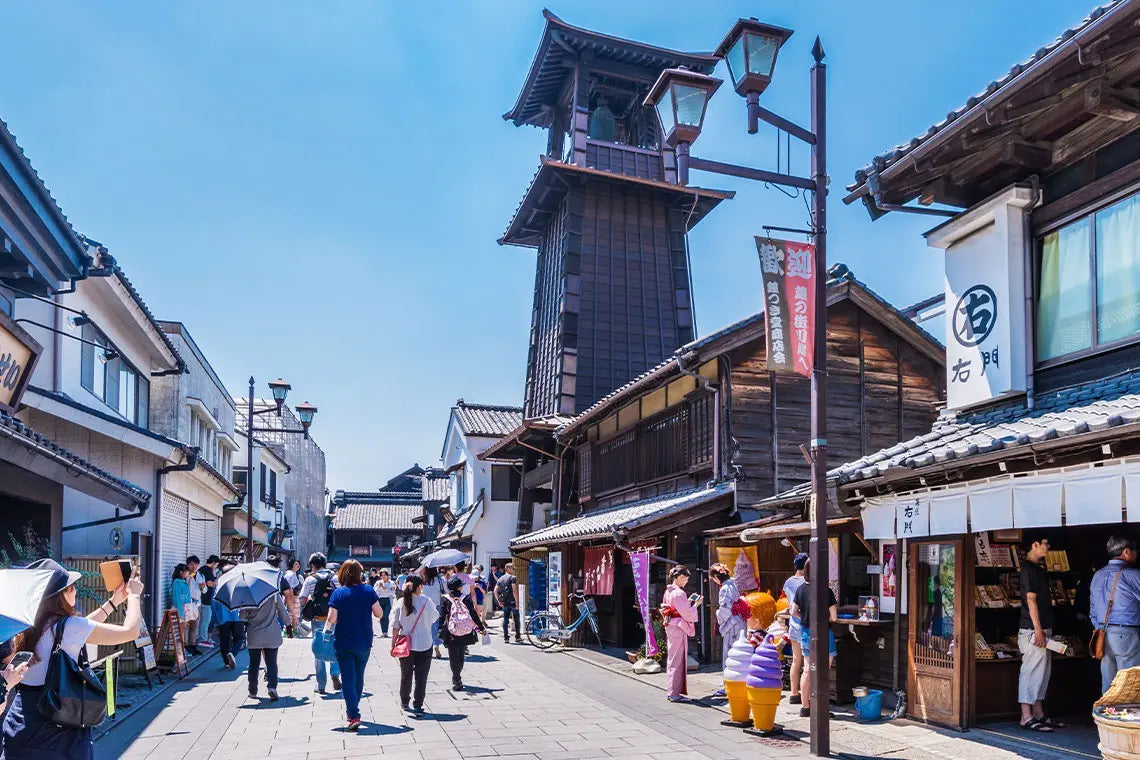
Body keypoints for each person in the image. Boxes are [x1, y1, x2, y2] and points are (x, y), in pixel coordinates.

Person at [1, 558, 143, 760]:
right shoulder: (69, 627)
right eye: (71, 587)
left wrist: (113, 602)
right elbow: (130, 631)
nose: (75, 591)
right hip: (58, 731)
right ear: (60, 595)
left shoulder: (25, 626)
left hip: (20, 728)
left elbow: (80, 629)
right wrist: (134, 596)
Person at [324, 559, 385, 730]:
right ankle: (353, 711)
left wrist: (325, 633)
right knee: (358, 677)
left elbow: (331, 618)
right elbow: (379, 614)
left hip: (343, 641)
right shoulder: (368, 591)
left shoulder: (338, 593)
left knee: (348, 678)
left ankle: (353, 714)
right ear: (360, 574)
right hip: (364, 641)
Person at [1015, 535, 1066, 732]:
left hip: (1041, 628)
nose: (1048, 546)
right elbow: (1031, 601)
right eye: (1045, 543)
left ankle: (1038, 713)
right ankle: (1026, 716)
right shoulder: (1028, 569)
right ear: (1035, 544)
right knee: (1031, 671)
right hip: (1032, 629)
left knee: (1042, 673)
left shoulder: (1037, 568)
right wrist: (1037, 629)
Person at [1092, 535, 1140, 695]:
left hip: (1102, 633)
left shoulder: (1098, 575)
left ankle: (1108, 711)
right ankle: (1126, 711)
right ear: (1126, 552)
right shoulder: (1132, 575)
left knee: (1109, 682)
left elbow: (1093, 610)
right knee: (1129, 683)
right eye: (1135, 551)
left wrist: (1100, 627)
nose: (1136, 554)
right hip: (1126, 634)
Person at [790, 558, 837, 718]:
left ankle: (805, 707)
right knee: (823, 670)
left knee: (808, 670)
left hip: (806, 632)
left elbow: (793, 611)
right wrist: (823, 619)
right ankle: (822, 707)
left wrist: (805, 618)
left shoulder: (801, 589)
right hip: (824, 633)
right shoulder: (826, 591)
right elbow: (834, 617)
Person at [390, 575, 439, 714]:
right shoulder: (426, 601)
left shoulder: (401, 602)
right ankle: (418, 704)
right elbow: (435, 618)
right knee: (421, 677)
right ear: (419, 587)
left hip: (405, 646)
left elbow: (395, 626)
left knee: (406, 675)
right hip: (425, 643)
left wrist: (393, 644)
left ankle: (404, 701)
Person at [299, 552, 342, 693]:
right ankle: (335, 673)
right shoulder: (336, 578)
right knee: (336, 646)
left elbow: (303, 599)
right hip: (334, 617)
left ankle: (321, 684)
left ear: (313, 565)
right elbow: (342, 596)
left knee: (318, 650)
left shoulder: (310, 579)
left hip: (317, 618)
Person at [239, 589, 289, 701]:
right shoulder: (273, 594)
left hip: (254, 634)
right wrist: (289, 625)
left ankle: (252, 690)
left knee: (254, 663)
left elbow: (242, 616)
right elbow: (282, 610)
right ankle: (272, 687)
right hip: (271, 633)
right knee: (271, 662)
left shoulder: (247, 595)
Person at [439, 576, 486, 691]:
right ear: (459, 587)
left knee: (452, 656)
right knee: (460, 655)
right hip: (464, 630)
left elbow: (441, 615)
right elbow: (473, 614)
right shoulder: (466, 598)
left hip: (451, 631)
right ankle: (458, 676)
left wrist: (439, 629)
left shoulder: (445, 599)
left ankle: (456, 678)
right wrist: (481, 627)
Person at [661, 565, 700, 703]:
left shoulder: (669, 591)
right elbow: (687, 613)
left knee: (673, 658)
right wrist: (696, 604)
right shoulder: (678, 593)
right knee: (677, 659)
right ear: (680, 577)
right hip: (677, 627)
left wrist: (688, 602)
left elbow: (677, 608)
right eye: (685, 579)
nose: (686, 582)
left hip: (671, 625)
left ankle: (673, 691)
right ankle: (674, 693)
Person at [711, 562, 746, 694]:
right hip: (739, 621)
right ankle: (738, 683)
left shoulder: (725, 588)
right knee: (739, 653)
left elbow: (725, 609)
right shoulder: (733, 585)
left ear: (716, 577)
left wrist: (718, 616)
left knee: (730, 654)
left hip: (732, 623)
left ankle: (729, 686)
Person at [783, 553, 809, 705]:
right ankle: (807, 697)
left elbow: (789, 603)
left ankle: (794, 694)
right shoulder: (807, 582)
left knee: (796, 660)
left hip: (793, 624)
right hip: (805, 624)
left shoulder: (788, 582)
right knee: (807, 664)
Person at [170, 563, 202, 656]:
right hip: (180, 611)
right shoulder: (177, 583)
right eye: (186, 571)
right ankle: (180, 652)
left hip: (185, 610)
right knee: (180, 632)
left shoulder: (183, 581)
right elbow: (177, 600)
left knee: (183, 631)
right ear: (181, 572)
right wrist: (181, 616)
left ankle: (182, 651)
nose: (188, 573)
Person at [422, 566, 446, 658]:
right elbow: (446, 591)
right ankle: (436, 644)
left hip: (425, 606)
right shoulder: (440, 580)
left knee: (426, 626)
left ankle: (428, 646)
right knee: (435, 626)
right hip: (437, 605)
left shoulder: (423, 581)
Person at [495, 566, 521, 643]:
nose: (513, 570)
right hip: (512, 602)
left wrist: (498, 601)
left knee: (505, 619)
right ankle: (517, 637)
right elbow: (514, 590)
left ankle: (506, 638)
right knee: (516, 619)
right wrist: (517, 602)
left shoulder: (500, 579)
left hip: (505, 602)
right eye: (512, 568)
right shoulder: (513, 578)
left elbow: (495, 590)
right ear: (508, 568)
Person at [373, 569, 396, 637]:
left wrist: (385, 589)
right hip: (380, 600)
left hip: (388, 600)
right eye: (382, 575)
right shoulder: (378, 583)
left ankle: (385, 631)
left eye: (384, 575)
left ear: (387, 575)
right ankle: (384, 632)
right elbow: (375, 593)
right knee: (381, 615)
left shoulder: (391, 583)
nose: (383, 577)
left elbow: (393, 593)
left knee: (386, 615)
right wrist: (379, 587)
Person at [284, 558, 304, 633]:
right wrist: (292, 599)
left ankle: (292, 631)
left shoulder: (291, 573)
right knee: (293, 615)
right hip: (293, 597)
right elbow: (290, 588)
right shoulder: (291, 574)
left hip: (293, 597)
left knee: (293, 616)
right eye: (296, 564)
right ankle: (291, 631)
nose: (298, 565)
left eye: (298, 564)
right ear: (292, 565)